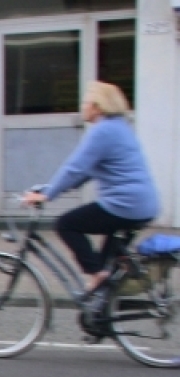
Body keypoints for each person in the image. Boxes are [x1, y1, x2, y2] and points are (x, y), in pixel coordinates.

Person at [23, 81, 158, 299]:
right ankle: (102, 315)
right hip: (141, 204)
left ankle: (96, 273)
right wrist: (48, 189)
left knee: (67, 224)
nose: (82, 107)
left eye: (85, 102)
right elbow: (85, 173)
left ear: (97, 106)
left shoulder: (103, 131)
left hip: (125, 205)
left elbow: (74, 168)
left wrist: (47, 195)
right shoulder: (120, 127)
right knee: (106, 267)